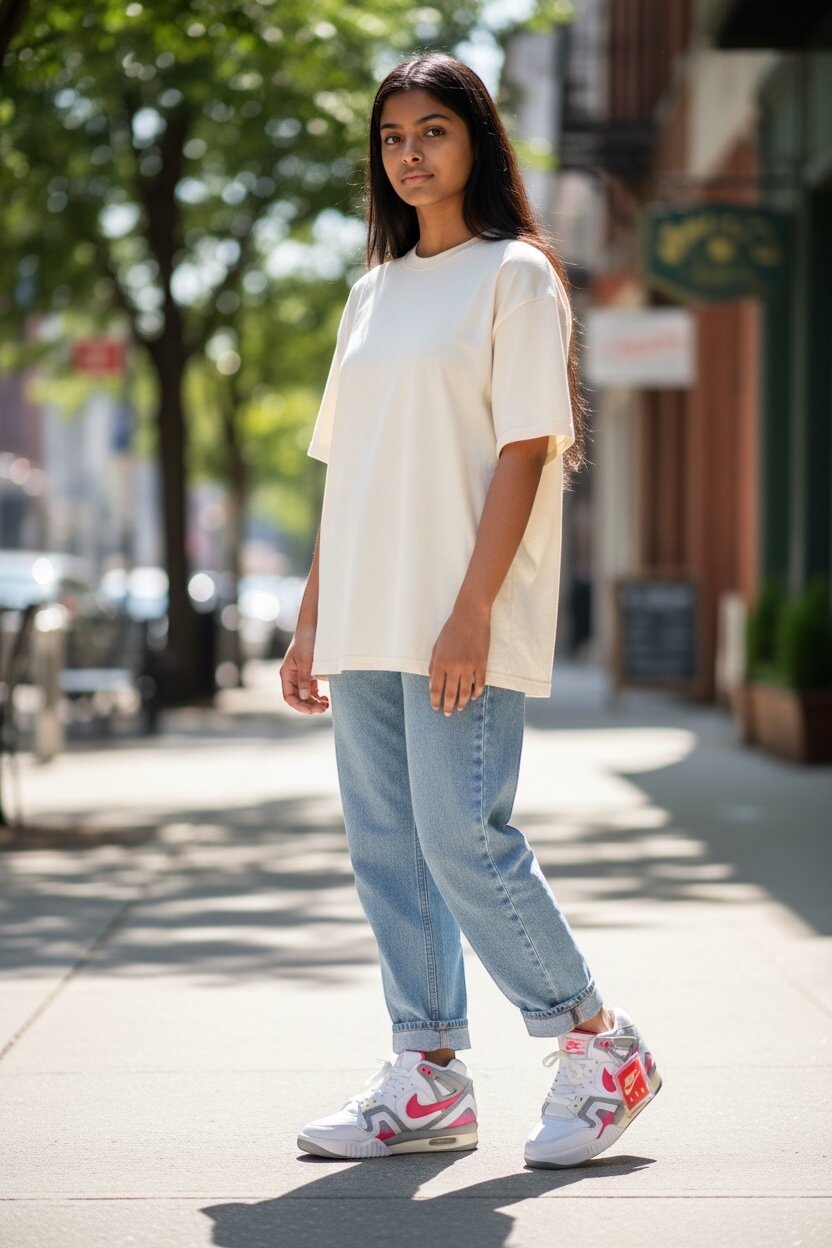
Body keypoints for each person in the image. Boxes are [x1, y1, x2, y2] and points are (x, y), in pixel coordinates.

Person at [279, 50, 662, 1168]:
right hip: (365, 613)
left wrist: (472, 609)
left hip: (459, 614)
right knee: (387, 848)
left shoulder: (517, 276)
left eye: (432, 131)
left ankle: (600, 1044)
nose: (410, 154)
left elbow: (526, 450)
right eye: (392, 137)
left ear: (476, 142)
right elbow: (345, 470)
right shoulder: (371, 293)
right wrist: (311, 618)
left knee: (463, 840)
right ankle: (428, 1076)